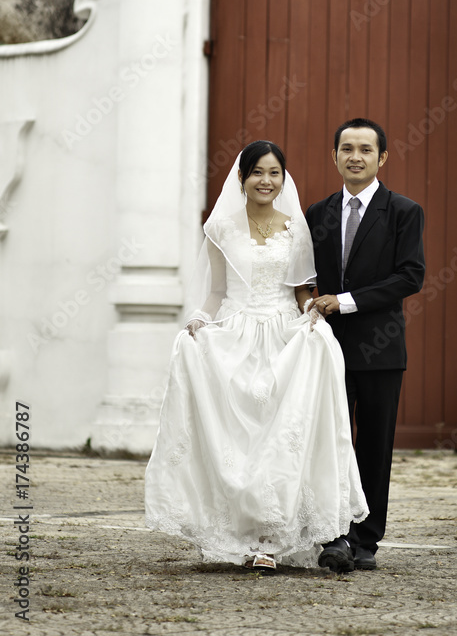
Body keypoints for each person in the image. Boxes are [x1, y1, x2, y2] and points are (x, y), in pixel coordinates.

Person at [145, 140, 368, 570]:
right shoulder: (221, 228)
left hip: (284, 337)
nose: (266, 181)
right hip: (236, 334)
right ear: (242, 178)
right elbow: (216, 291)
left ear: (283, 179)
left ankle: (270, 538)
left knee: (280, 438)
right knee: (238, 442)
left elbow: (302, 289)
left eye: (274, 173)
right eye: (258, 173)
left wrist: (312, 314)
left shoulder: (295, 227)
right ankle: (240, 536)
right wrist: (198, 320)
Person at [305, 119, 425, 572]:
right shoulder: (317, 213)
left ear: (382, 158)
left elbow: (410, 276)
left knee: (373, 446)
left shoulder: (403, 211)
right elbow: (306, 275)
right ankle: (333, 535)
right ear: (334, 155)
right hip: (325, 351)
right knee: (329, 444)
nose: (355, 156)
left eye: (365, 149)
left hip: (380, 349)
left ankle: (367, 541)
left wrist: (347, 302)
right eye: (346, 148)